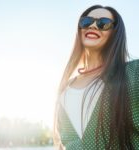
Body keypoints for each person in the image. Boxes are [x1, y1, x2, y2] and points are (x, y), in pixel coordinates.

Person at [53, 4, 139, 150]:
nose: (93, 26)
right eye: (86, 21)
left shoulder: (133, 72)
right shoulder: (64, 89)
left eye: (103, 23)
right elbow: (67, 142)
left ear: (115, 33)